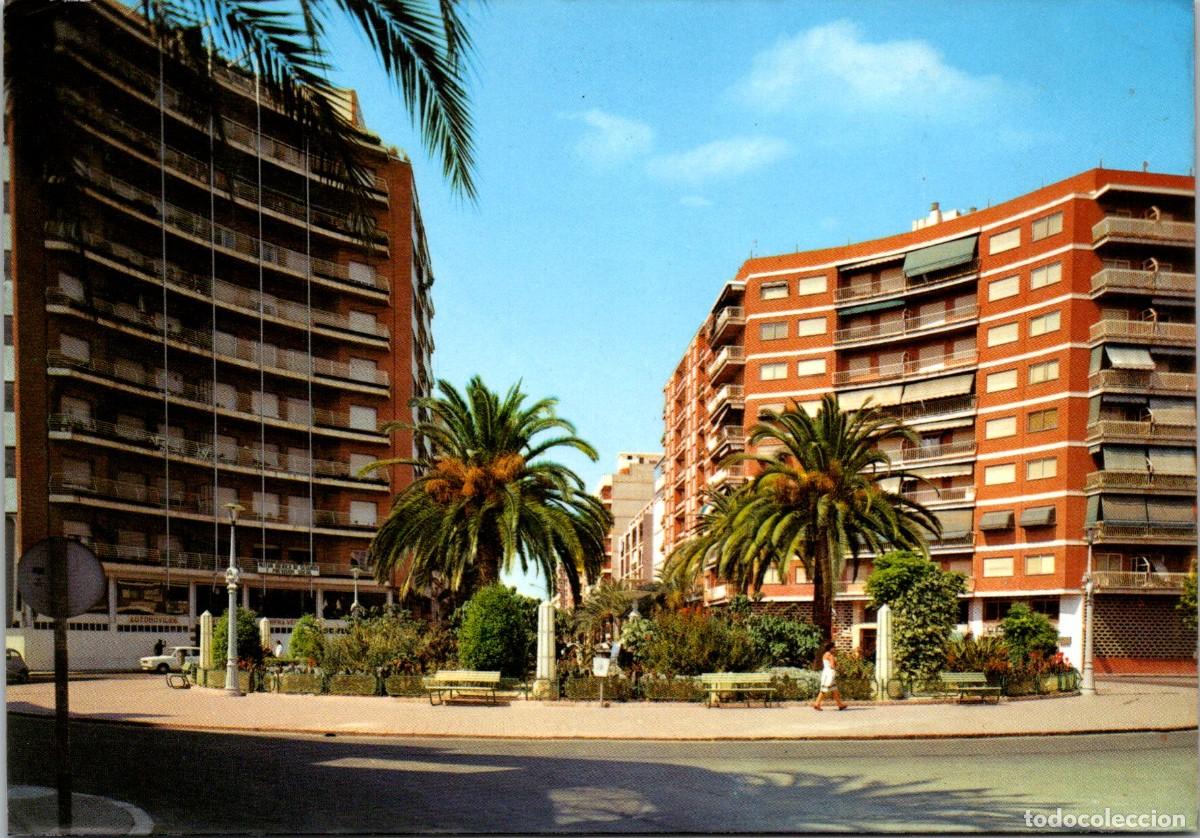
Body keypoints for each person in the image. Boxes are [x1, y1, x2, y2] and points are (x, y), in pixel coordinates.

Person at [813, 641, 847, 711]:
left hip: (826, 673)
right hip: (830, 674)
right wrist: (840, 669)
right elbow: (832, 666)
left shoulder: (825, 654)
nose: (835, 649)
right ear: (830, 648)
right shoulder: (830, 655)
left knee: (835, 690)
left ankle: (840, 705)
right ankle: (817, 703)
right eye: (834, 647)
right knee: (824, 690)